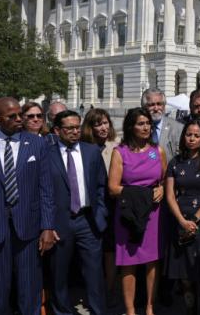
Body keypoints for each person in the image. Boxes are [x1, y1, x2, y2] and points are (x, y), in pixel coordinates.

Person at [0, 97, 57, 315]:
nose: (19, 119)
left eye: (20, 114)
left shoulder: (37, 144)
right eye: (12, 116)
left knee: (30, 290)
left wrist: (48, 227)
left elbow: (46, 190)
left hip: (29, 229)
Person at [44, 110, 108, 315]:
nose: (74, 132)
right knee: (59, 274)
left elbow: (101, 186)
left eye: (77, 127)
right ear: (57, 130)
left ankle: (99, 311)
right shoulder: (47, 154)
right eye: (69, 128)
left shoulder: (91, 151)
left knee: (94, 273)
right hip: (59, 222)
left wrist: (101, 214)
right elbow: (42, 191)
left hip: (88, 220)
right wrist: (47, 224)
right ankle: (62, 311)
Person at [108, 108, 166, 315]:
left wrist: (161, 188)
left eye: (148, 123)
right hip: (128, 214)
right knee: (128, 262)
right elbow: (113, 187)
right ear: (131, 127)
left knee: (152, 261)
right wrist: (141, 194)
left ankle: (150, 307)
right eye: (140, 123)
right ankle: (130, 310)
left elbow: (166, 180)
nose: (145, 127)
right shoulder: (119, 152)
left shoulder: (157, 151)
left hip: (153, 213)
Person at [165, 120, 200, 315]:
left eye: (196, 135)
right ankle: (189, 310)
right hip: (180, 218)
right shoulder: (175, 161)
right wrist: (182, 221)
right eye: (188, 134)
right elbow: (170, 195)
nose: (191, 139)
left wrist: (195, 220)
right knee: (185, 274)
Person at [80, 108, 120, 303]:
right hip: (91, 207)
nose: (103, 127)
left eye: (105, 123)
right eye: (98, 124)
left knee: (110, 251)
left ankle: (110, 290)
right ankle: (93, 293)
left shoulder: (116, 146)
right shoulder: (83, 148)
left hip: (113, 205)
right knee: (93, 253)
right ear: (90, 127)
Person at [141, 88, 184, 160]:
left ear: (164, 106)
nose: (156, 108)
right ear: (144, 107)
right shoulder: (137, 128)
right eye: (151, 105)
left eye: (159, 104)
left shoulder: (178, 128)